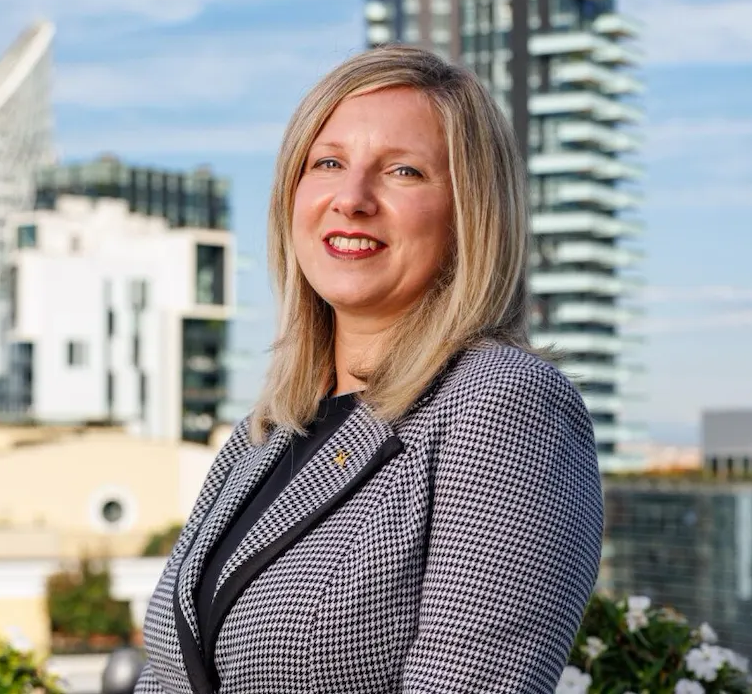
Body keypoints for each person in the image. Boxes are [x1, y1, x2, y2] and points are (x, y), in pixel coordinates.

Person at [133, 44, 603, 694]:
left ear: (470, 214)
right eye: (328, 162)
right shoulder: (260, 436)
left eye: (403, 172)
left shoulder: (505, 406)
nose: (351, 198)